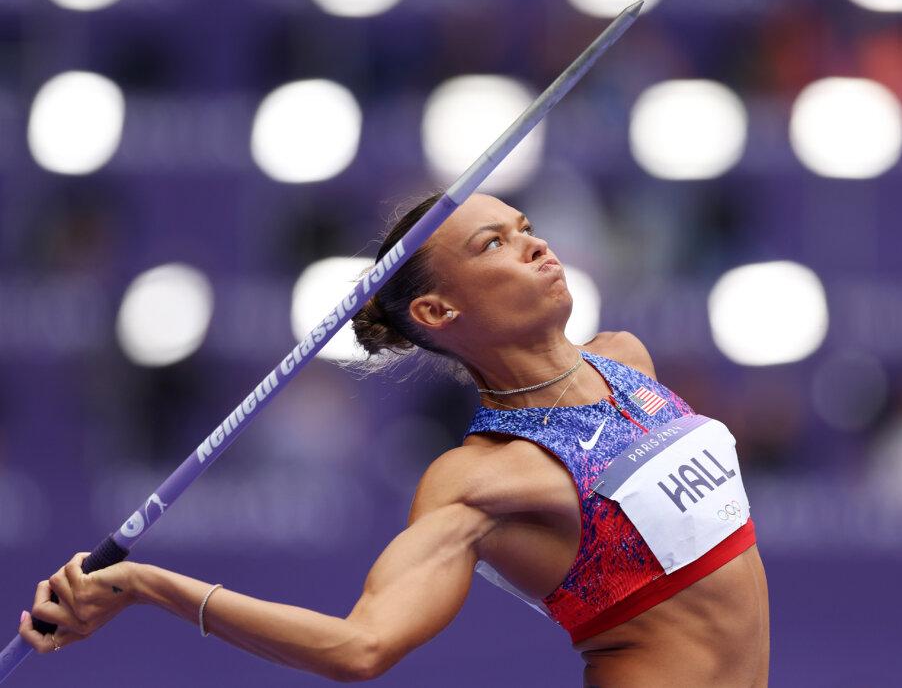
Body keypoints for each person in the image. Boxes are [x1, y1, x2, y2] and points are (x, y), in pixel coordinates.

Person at [18, 191, 771, 685]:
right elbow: (361, 645)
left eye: (527, 229)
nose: (535, 246)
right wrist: (154, 585)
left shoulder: (628, 358)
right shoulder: (479, 479)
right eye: (493, 244)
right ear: (439, 312)